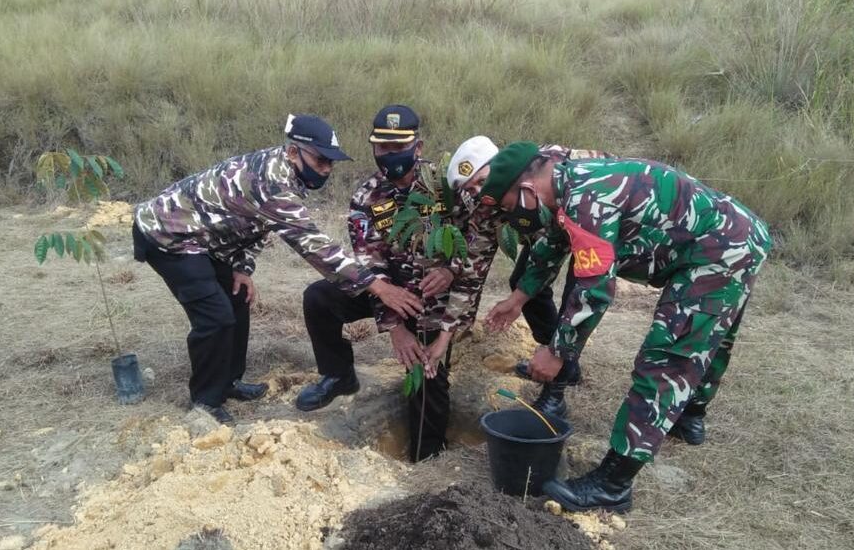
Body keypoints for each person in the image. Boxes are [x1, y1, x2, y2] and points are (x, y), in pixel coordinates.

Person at [481, 142, 772, 512]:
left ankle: (613, 484)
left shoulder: (587, 201)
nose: (512, 217)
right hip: (735, 233)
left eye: (508, 208)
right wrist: (517, 299)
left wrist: (558, 351)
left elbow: (594, 290)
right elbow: (552, 246)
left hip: (721, 248)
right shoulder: (567, 186)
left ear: (526, 190)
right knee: (712, 336)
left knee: (671, 354)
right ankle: (691, 417)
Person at [132, 114, 421, 424]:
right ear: (294, 152)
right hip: (167, 234)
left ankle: (228, 381)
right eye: (321, 161)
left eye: (331, 163)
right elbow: (313, 244)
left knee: (236, 297)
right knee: (215, 317)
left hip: (206, 239)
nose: (326, 169)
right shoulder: (273, 182)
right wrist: (377, 286)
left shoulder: (287, 172)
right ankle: (205, 402)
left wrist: (242, 268)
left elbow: (256, 223)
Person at [295, 105, 481, 462]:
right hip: (390, 295)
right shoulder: (366, 197)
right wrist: (394, 326)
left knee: (427, 376)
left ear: (419, 147)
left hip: (433, 299)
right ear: (373, 148)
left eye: (400, 148)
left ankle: (427, 459)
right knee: (319, 297)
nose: (391, 156)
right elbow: (370, 263)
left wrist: (452, 269)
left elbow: (476, 238)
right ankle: (337, 376)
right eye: (383, 148)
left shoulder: (446, 186)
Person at [446, 138, 615, 417]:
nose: (478, 192)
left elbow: (610, 178)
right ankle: (559, 358)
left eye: (480, 181)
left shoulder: (558, 164)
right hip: (552, 237)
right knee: (522, 285)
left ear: (499, 166)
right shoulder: (487, 201)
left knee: (577, 297)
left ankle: (556, 386)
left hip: (592, 223)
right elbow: (474, 263)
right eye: (471, 189)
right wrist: (455, 326)